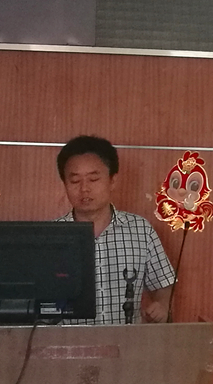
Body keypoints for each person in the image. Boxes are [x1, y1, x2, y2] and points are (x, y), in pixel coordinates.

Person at [56, 135, 176, 324]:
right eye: (75, 181)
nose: (84, 189)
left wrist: (161, 305)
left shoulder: (140, 230)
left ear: (112, 180)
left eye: (93, 179)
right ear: (65, 184)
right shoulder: (52, 236)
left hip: (127, 341)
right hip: (68, 341)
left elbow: (163, 283)